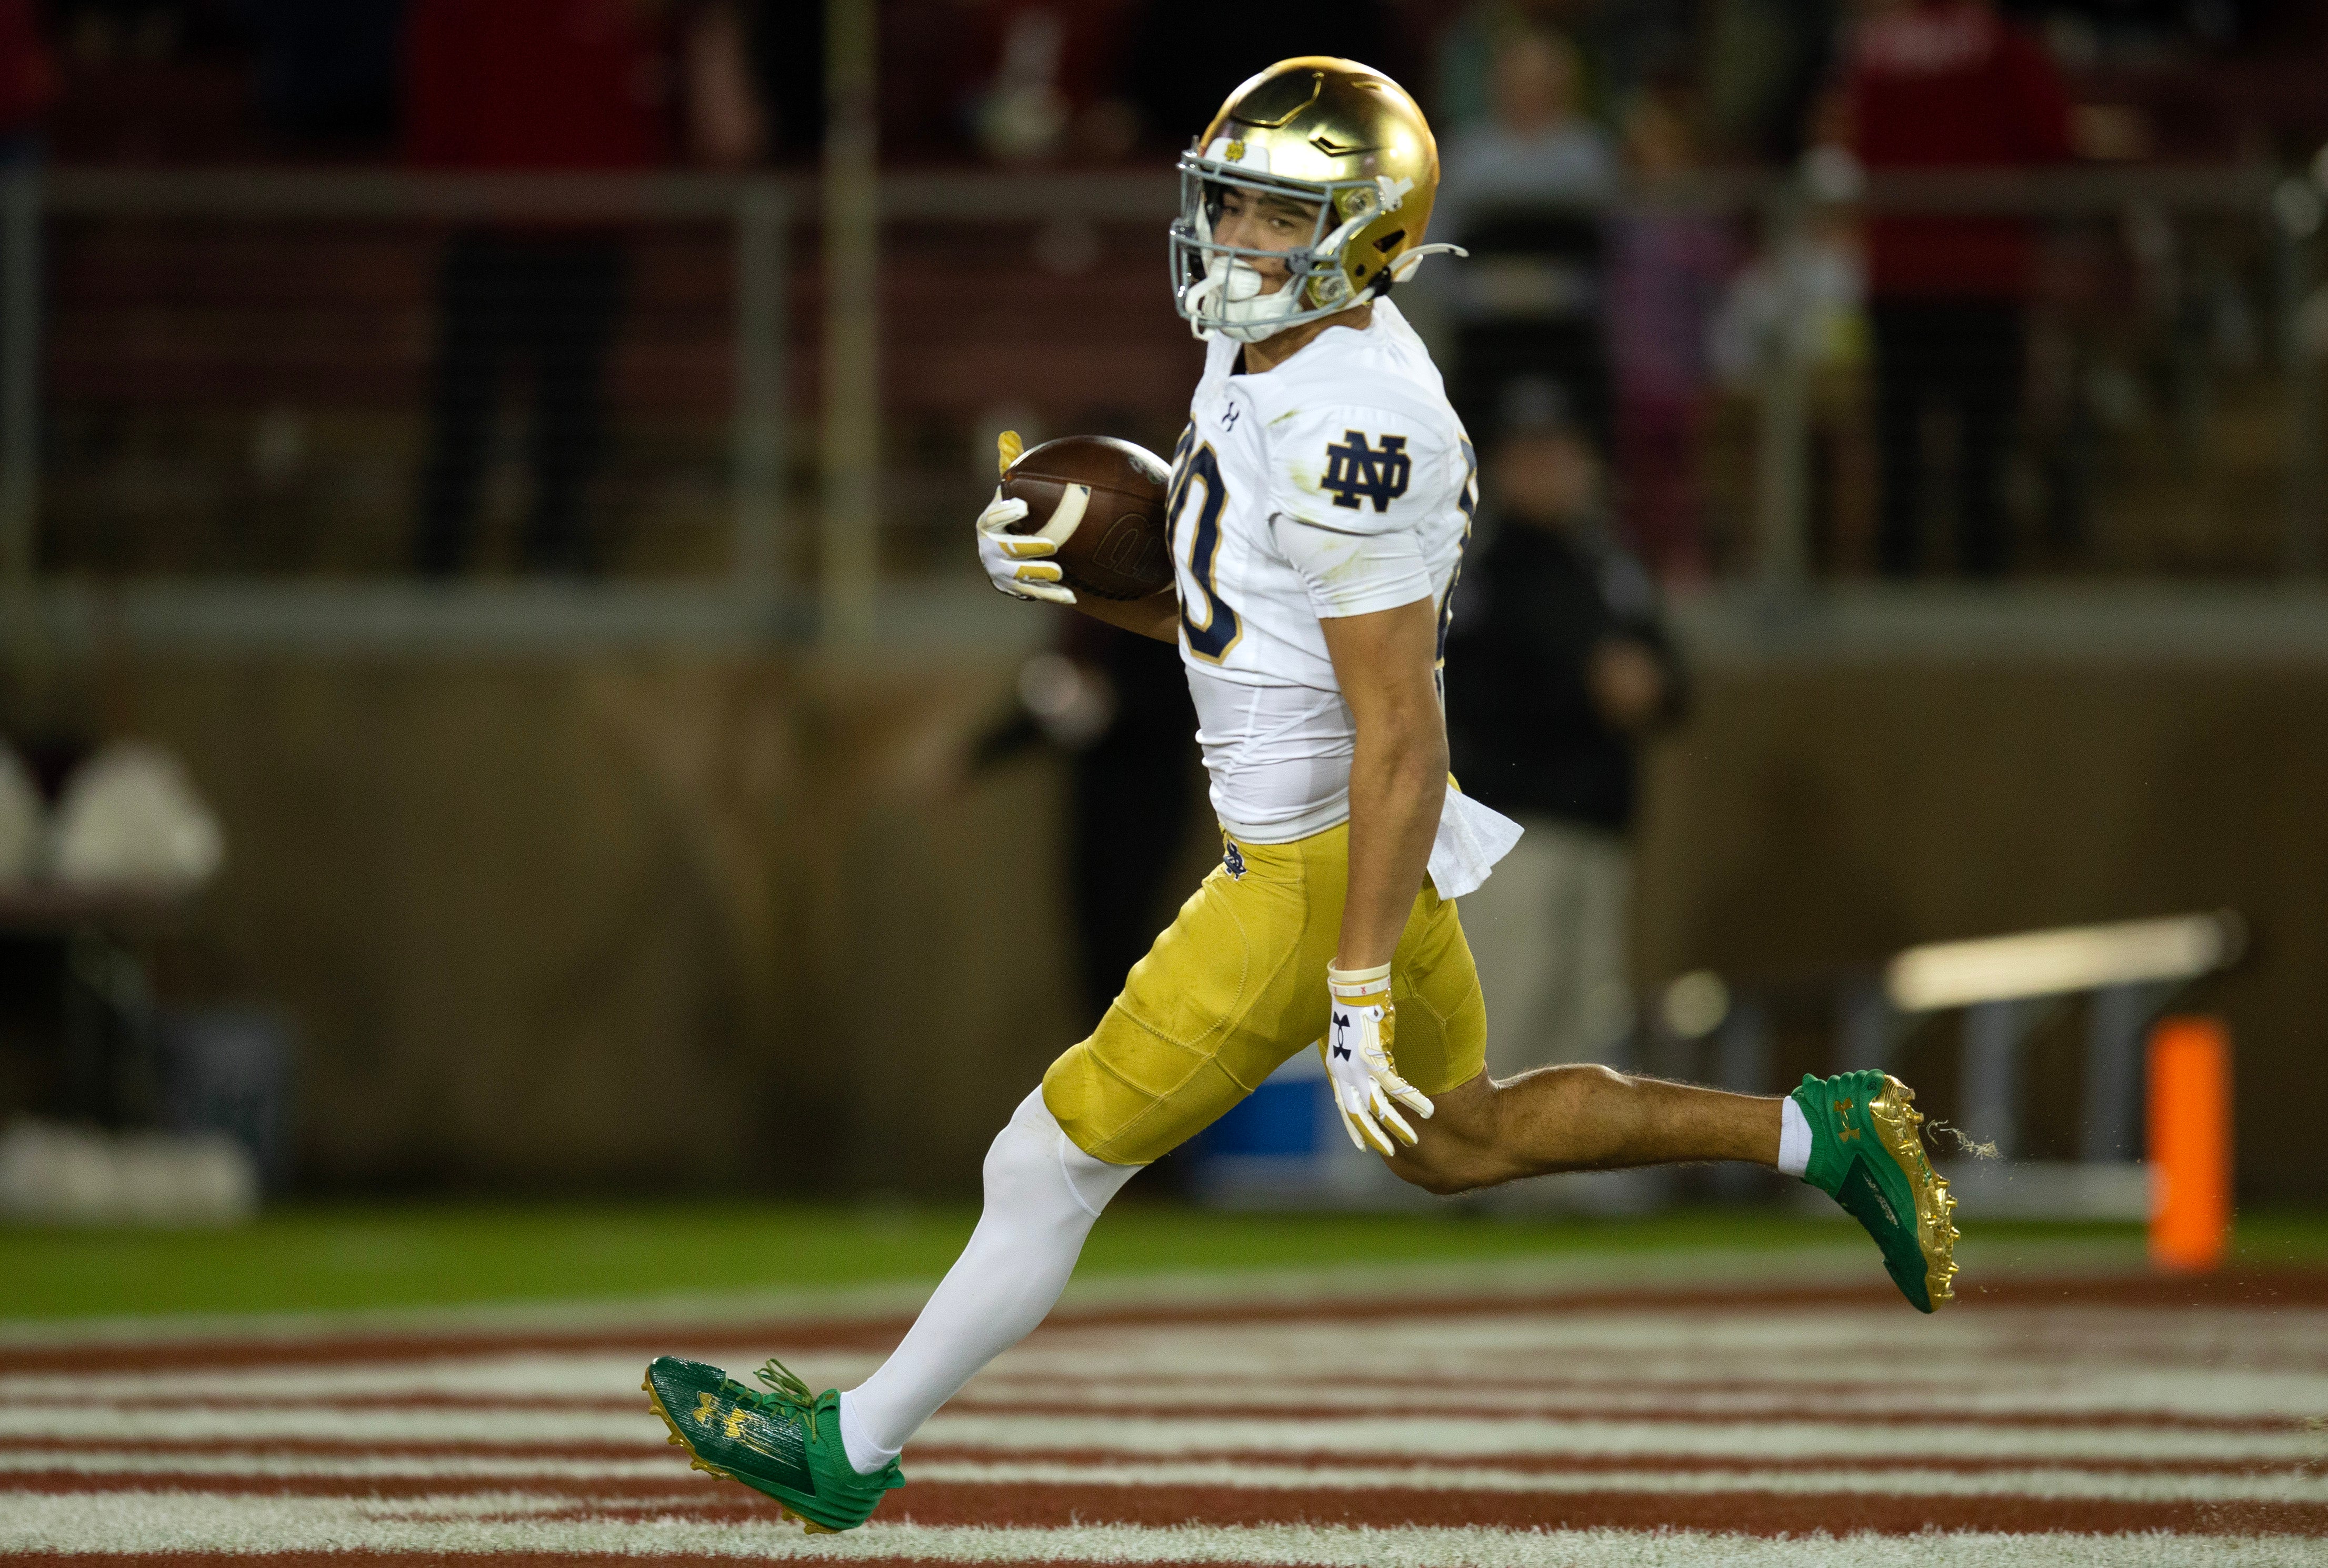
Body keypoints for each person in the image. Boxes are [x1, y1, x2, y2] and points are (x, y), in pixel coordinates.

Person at [642, 56, 1960, 1536]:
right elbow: (1237, 621)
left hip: (1312, 865)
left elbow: (1397, 731)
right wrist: (1089, 583)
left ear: (1366, 234)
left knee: (1048, 1159)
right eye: (1231, 203)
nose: (1234, 239)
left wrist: (1345, 987)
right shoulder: (1261, 355)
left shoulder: (1358, 421)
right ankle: (1815, 1135)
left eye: (1274, 213)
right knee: (1461, 1137)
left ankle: (850, 1445)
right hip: (1340, 845)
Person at [405, 0, 762, 576]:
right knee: (464, 410)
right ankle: (437, 566)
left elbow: (729, 136)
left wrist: (711, 34)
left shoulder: (645, 17)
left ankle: (554, 553)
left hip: (592, 240)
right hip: (489, 234)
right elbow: (437, 100)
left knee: (571, 412)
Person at [1444, 382, 1683, 1078]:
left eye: (1559, 452)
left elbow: (1673, 679)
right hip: (1511, 828)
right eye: (1528, 455)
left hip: (1598, 825)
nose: (1546, 470)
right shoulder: (1479, 567)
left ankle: (1561, 1182)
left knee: (1580, 1023)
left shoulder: (1608, 564)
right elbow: (1469, 695)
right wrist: (1589, 683)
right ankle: (1462, 1176)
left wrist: (1644, 683)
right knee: (1504, 1015)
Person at [1844, 0, 2070, 577]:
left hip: (1900, 277)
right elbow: (2052, 139)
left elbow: (1863, 149)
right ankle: (1981, 577)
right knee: (1983, 442)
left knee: (1900, 443)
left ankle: (1896, 575)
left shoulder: (1879, 49)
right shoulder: (2004, 45)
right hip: (1984, 275)